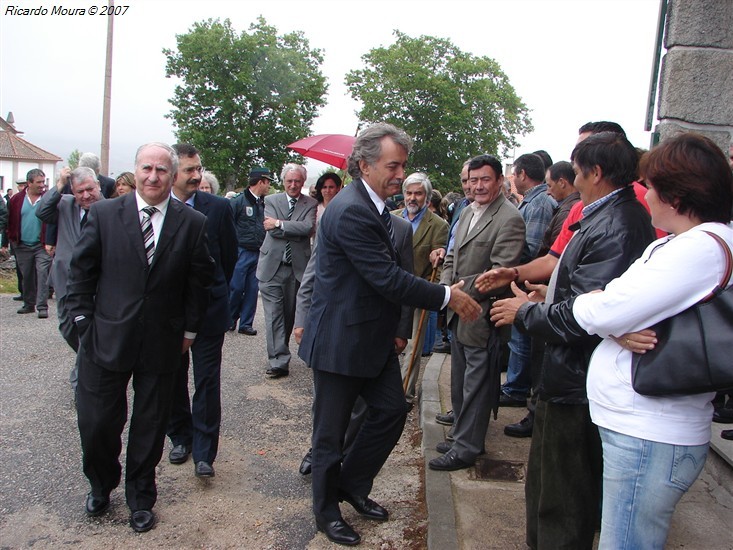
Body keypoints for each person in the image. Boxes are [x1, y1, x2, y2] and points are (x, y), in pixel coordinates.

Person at [298, 123, 481, 546]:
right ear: (364, 165)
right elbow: (387, 278)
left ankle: (351, 485)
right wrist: (446, 295)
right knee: (329, 434)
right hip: (341, 343)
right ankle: (325, 512)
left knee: (390, 411)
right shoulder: (352, 209)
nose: (401, 174)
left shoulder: (376, 206)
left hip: (371, 340)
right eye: (393, 165)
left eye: (403, 165)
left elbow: (389, 276)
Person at [489, 131, 656, 549]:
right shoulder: (596, 214)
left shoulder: (618, 223)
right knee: (549, 486)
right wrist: (541, 289)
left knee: (565, 493)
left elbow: (588, 316)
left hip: (579, 379)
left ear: (595, 172)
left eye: (576, 169)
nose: (566, 177)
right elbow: (579, 288)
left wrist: (524, 311)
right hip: (566, 373)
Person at [565, 133, 733, 549]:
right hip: (644, 429)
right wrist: (611, 317)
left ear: (676, 195)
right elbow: (615, 309)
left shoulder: (698, 248)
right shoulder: (684, 242)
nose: (646, 193)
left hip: (650, 433)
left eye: (653, 186)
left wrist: (600, 310)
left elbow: (606, 308)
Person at [66, 142, 214, 533]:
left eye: (162, 170)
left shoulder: (193, 222)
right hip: (104, 339)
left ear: (173, 174)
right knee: (97, 423)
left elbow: (200, 282)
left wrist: (189, 330)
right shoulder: (103, 214)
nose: (153, 177)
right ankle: (101, 483)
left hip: (162, 342)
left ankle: (141, 496)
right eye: (146, 168)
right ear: (135, 171)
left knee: (149, 425)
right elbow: (79, 274)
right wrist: (82, 324)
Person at [429, 154, 525, 472]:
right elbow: (452, 256)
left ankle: (468, 447)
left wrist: (459, 294)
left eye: (485, 179)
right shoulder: (468, 211)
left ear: (500, 181)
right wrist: (447, 294)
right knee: (460, 381)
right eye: (473, 180)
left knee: (478, 385)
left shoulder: (509, 218)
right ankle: (461, 435)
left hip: (482, 314)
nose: (478, 186)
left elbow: (500, 272)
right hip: (458, 310)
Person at [166, 144, 237, 478]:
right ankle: (180, 437)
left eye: (198, 169)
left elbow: (228, 257)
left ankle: (205, 452)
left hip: (209, 308)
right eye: (189, 170)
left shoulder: (219, 208)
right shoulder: (160, 207)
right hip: (169, 313)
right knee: (172, 378)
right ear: (171, 172)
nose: (197, 176)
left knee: (207, 380)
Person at [36, 166, 104, 391]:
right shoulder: (65, 204)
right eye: (79, 191)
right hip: (66, 281)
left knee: (87, 328)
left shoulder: (110, 209)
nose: (85, 196)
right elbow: (42, 212)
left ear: (98, 186)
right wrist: (59, 184)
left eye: (89, 189)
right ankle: (91, 360)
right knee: (67, 328)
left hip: (96, 284)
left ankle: (81, 381)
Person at [500, 153, 557, 408]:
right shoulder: (531, 202)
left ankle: (516, 388)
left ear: (522, 174)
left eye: (515, 173)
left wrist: (512, 272)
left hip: (528, 285)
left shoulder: (539, 203)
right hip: (523, 280)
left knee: (521, 339)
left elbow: (532, 249)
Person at [392, 172, 449, 404]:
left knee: (413, 344)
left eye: (418, 193)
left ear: (427, 197)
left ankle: (403, 392)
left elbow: (441, 259)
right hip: (390, 290)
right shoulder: (390, 217)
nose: (412, 198)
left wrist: (439, 255)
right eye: (409, 193)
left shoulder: (438, 226)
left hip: (416, 292)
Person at [257, 163, 317, 378]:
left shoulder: (310, 203)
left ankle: (281, 351)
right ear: (283, 182)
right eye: (289, 181)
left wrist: (280, 225)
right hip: (272, 267)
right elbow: (270, 231)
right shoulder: (271, 200)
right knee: (274, 315)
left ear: (302, 182)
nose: (293, 185)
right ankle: (279, 361)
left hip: (297, 269)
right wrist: (293, 228)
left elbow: (308, 229)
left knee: (290, 314)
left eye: (297, 181)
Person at [228, 167, 272, 335]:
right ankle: (230, 318)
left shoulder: (263, 203)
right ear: (260, 182)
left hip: (257, 251)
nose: (268, 186)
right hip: (241, 250)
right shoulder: (238, 202)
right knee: (237, 287)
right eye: (267, 182)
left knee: (252, 289)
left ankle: (246, 323)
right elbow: (229, 225)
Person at [7, 168, 51, 318]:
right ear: (29, 183)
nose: (42, 185)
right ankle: (29, 303)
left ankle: (42, 306)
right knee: (27, 275)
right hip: (22, 244)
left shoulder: (47, 199)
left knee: (42, 274)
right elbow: (9, 221)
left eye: (43, 182)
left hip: (42, 245)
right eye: (39, 182)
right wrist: (9, 241)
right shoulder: (16, 200)